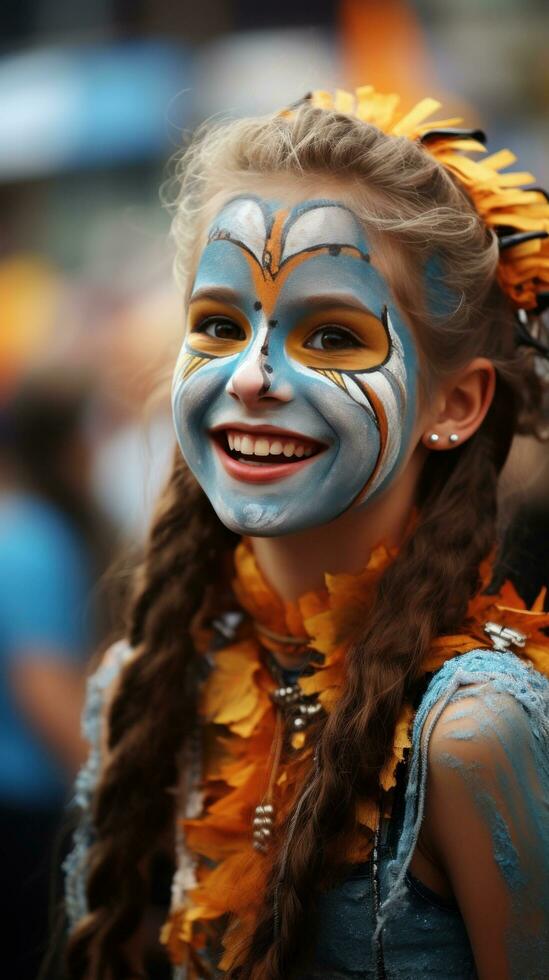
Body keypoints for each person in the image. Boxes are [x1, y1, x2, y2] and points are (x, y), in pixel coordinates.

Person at [64, 87, 549, 980]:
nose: (249, 376)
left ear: (456, 403)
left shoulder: (474, 733)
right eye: (218, 325)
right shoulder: (137, 690)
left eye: (330, 336)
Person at [0, 370, 115, 979]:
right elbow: (45, 691)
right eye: (95, 430)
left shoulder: (23, 525)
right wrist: (119, 807)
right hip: (26, 819)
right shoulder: (34, 540)